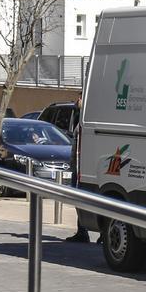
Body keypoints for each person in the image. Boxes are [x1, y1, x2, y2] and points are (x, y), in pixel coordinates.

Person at [64, 96, 92, 243]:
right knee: (77, 198)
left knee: (81, 197)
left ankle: (84, 231)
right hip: (77, 165)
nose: (77, 100)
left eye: (81, 97)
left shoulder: (88, 120)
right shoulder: (80, 119)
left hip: (82, 166)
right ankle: (82, 230)